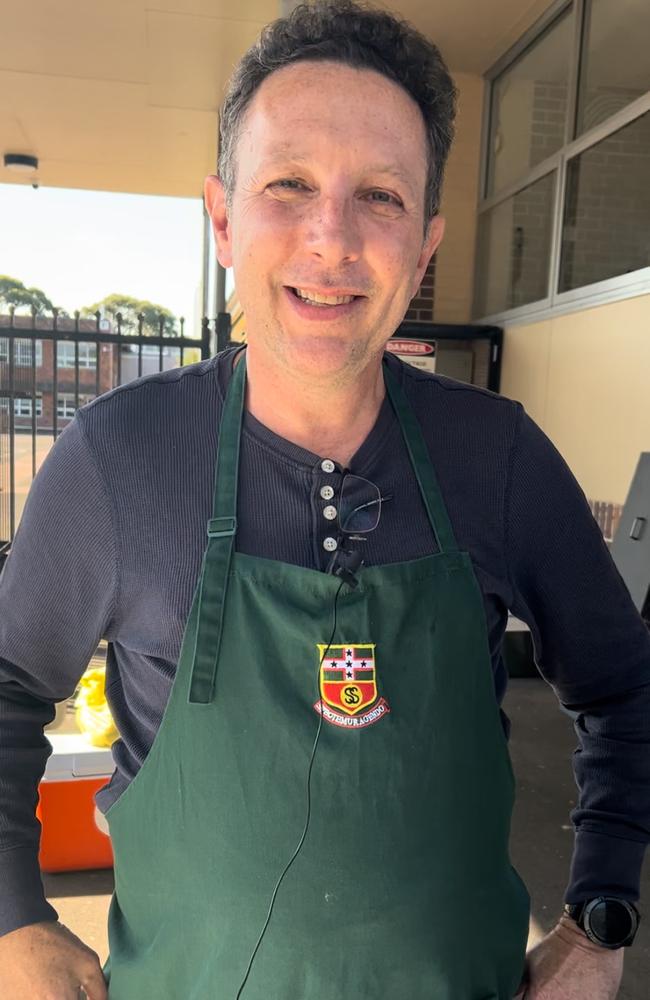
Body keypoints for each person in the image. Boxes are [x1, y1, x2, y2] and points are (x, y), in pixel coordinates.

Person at [0, 2, 648, 997]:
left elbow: (623, 686)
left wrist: (599, 916)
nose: (329, 237)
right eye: (288, 184)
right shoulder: (117, 462)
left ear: (425, 244)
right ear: (221, 217)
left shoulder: (497, 458)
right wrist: (13, 919)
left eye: (378, 196)